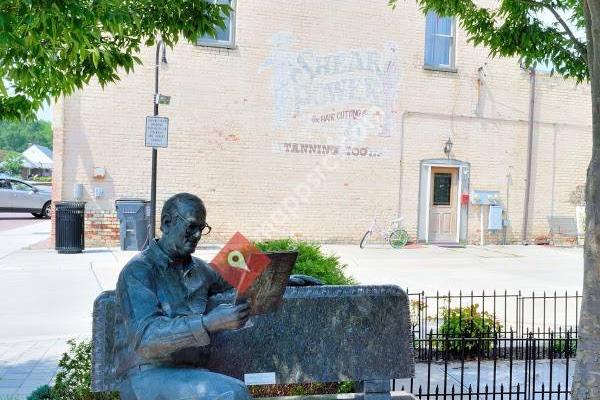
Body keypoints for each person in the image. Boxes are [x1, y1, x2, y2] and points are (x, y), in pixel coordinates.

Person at [114, 193, 252, 400]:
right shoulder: (138, 271)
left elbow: (241, 272)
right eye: (191, 227)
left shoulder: (200, 269)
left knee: (231, 391)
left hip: (190, 374)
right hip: (146, 375)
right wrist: (208, 323)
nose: (197, 235)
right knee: (232, 393)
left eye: (201, 228)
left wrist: (284, 277)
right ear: (167, 223)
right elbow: (146, 338)